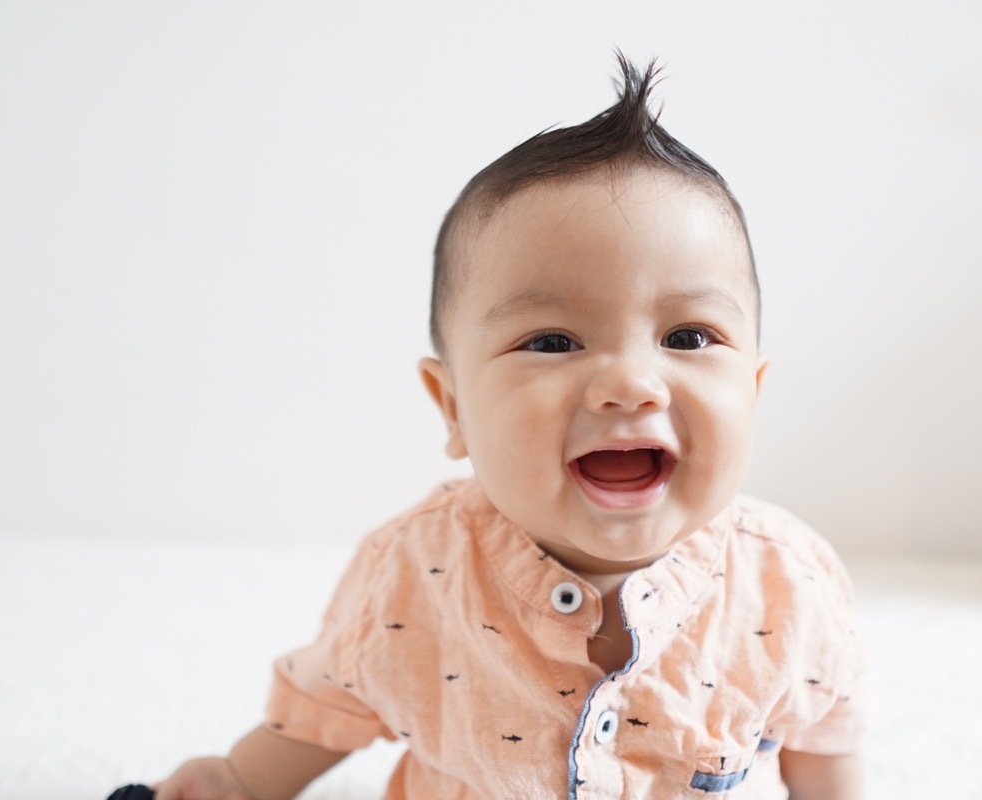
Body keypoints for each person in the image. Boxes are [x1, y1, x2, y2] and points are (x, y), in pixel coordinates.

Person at [148, 55, 867, 800]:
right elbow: (330, 697)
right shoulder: (416, 569)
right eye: (553, 341)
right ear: (452, 406)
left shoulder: (788, 582)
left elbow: (825, 724)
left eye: (687, 337)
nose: (628, 384)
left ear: (752, 389)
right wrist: (237, 779)